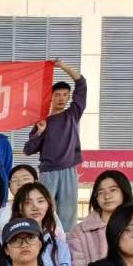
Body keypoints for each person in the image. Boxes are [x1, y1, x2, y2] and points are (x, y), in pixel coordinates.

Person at [24, 59, 87, 230]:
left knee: (68, 216)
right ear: (50, 97)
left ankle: (66, 245)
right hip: (48, 172)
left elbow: (81, 83)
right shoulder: (43, 121)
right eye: (57, 95)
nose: (61, 98)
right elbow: (28, 150)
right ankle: (41, 241)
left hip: (68, 170)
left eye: (65, 95)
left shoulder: (72, 115)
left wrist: (63, 66)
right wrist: (40, 132)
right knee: (43, 213)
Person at [68, 170, 133, 266]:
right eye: (100, 192)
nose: (107, 196)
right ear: (96, 197)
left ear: (124, 192)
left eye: (113, 190)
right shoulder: (80, 232)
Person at [12, 182, 72, 266]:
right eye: (27, 202)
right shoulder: (11, 243)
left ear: (48, 205)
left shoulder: (60, 246)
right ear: (20, 208)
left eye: (40, 201)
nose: (35, 207)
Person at [0, 164, 41, 235]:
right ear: (9, 185)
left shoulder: (45, 210)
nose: (20, 183)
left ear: (36, 182)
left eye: (25, 179)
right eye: (15, 180)